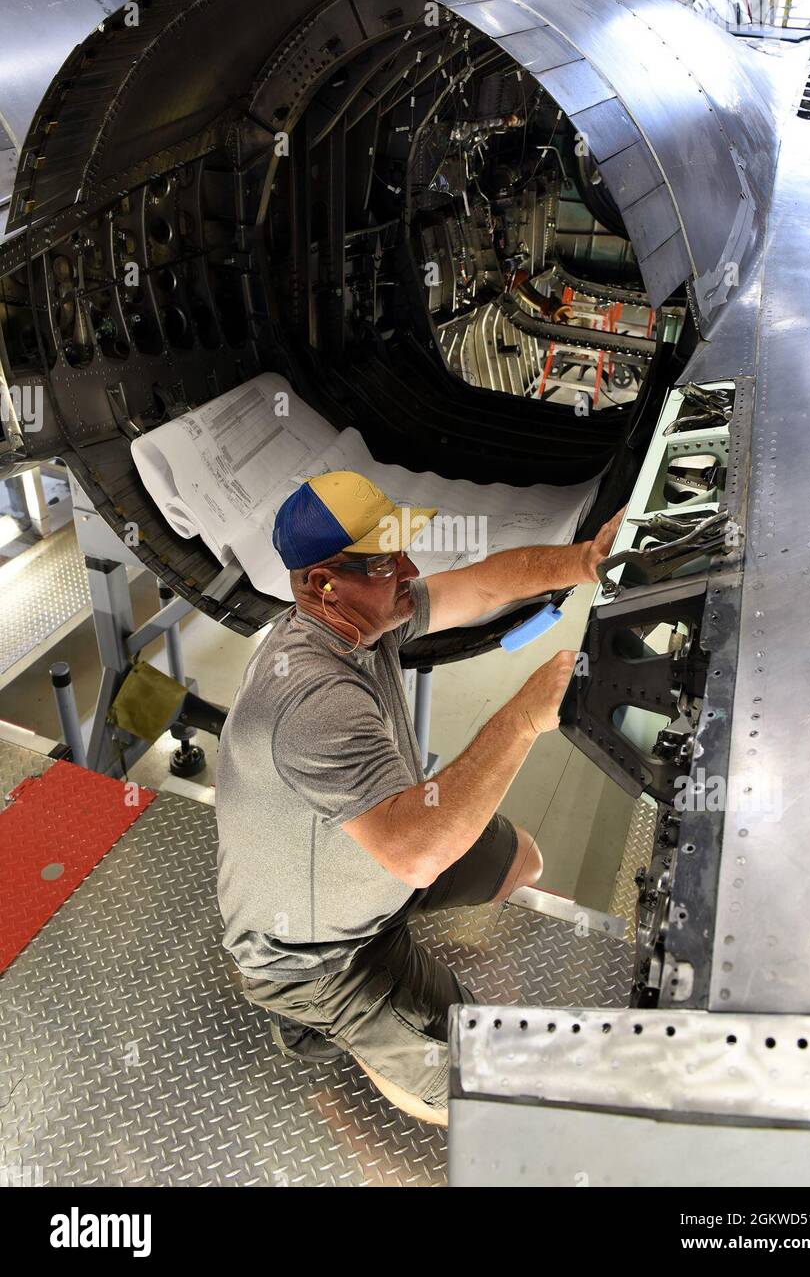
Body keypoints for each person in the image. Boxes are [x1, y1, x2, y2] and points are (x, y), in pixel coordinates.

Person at [216, 468, 623, 1127]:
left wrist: (583, 560)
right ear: (324, 584)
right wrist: (522, 715)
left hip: (376, 866)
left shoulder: (365, 620)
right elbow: (416, 854)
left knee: (524, 861)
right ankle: (337, 1029)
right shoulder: (313, 700)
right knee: (473, 1098)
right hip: (317, 953)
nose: (409, 567)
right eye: (384, 561)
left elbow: (487, 582)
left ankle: (382, 1005)